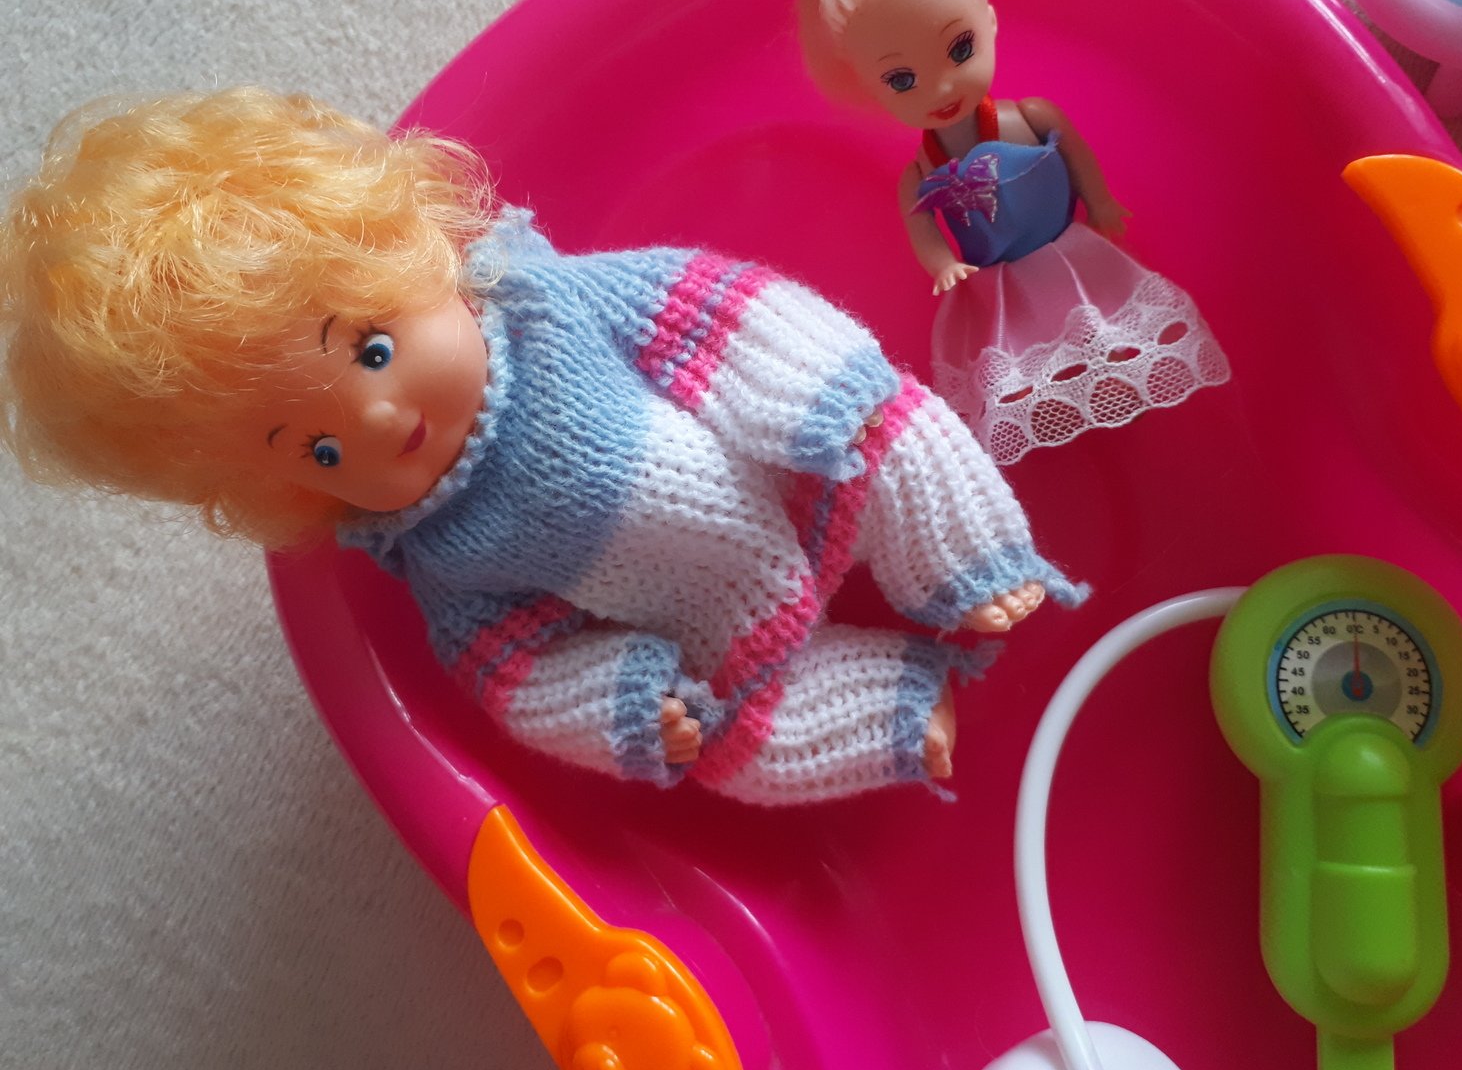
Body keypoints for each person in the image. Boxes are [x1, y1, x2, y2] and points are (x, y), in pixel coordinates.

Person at [0, 87, 1087, 805]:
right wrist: (625, 708)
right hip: (713, 626)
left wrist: (818, 400)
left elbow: (729, 314)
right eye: (317, 451)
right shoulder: (437, 555)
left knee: (891, 429)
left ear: (410, 248)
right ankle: (897, 706)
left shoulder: (553, 307)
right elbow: (514, 668)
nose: (372, 422)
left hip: (786, 456)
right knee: (724, 752)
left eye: (372, 349)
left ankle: (968, 559)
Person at [773, 0, 1231, 465]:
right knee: (1019, 361)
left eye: (960, 49)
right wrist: (942, 264)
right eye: (901, 80)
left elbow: (1076, 156)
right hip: (1000, 282)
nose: (942, 87)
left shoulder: (1031, 116)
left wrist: (1100, 200)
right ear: (869, 86)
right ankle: (1054, 421)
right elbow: (923, 230)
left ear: (989, 23)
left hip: (1068, 254)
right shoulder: (922, 170)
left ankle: (1123, 391)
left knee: (1104, 328)